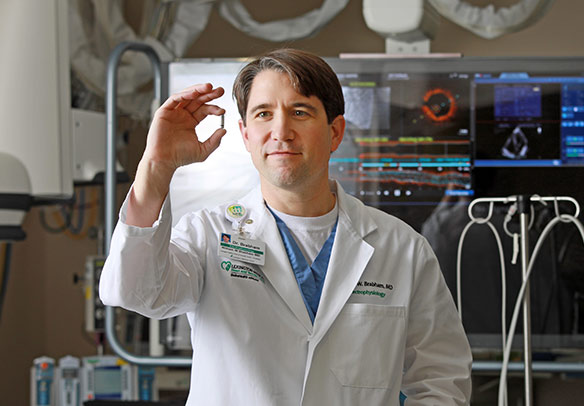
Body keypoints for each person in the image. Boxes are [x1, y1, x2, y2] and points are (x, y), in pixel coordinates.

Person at [99, 48, 472, 405]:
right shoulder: (207, 235)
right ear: (245, 135)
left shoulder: (402, 249)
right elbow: (133, 292)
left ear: (335, 132)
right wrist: (155, 168)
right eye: (263, 114)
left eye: (299, 111)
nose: (281, 130)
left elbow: (440, 377)